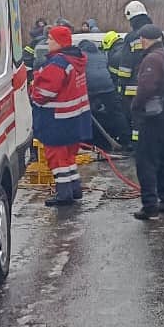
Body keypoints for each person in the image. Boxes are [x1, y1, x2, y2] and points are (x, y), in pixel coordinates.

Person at [31, 23, 91, 206]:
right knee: (68, 157)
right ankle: (74, 188)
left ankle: (64, 194)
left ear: (59, 42)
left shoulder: (58, 63)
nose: (47, 42)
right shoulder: (76, 60)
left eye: (50, 39)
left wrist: (32, 89)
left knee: (57, 158)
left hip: (58, 121)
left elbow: (44, 93)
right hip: (76, 119)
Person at [129, 24, 164, 220]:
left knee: (146, 162)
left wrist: (135, 106)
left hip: (154, 118)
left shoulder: (152, 59)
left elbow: (146, 88)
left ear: (144, 39)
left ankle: (150, 206)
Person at [107, 0, 155, 145]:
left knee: (136, 120)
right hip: (155, 86)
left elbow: (125, 66)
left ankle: (137, 147)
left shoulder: (132, 37)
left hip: (134, 89)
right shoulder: (157, 33)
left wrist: (121, 85)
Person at [80, 35, 128, 148]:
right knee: (116, 112)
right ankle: (125, 138)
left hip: (90, 87)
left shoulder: (81, 56)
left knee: (86, 113)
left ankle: (87, 141)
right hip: (107, 86)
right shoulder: (102, 55)